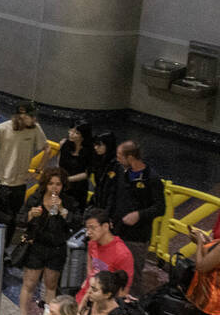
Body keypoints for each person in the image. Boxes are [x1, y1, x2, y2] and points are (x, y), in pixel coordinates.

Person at [16, 167, 80, 315]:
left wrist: (63, 211)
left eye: (58, 184)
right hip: (36, 247)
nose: (54, 188)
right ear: (45, 184)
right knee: (29, 284)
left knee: (51, 286)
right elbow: (19, 219)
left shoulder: (68, 201)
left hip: (57, 249)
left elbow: (76, 223)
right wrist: (30, 215)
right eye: (51, 183)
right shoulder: (35, 198)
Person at [99, 140, 164, 295]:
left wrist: (139, 215)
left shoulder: (152, 178)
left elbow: (160, 208)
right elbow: (112, 196)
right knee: (109, 271)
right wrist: (107, 217)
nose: (117, 159)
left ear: (131, 157)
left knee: (131, 276)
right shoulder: (120, 171)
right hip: (116, 231)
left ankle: (130, 309)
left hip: (136, 238)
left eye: (120, 156)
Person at [0, 101, 49, 240]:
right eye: (31, 116)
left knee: (12, 218)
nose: (34, 119)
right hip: (1, 182)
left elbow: (47, 149)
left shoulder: (35, 129)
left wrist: (38, 170)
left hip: (19, 184)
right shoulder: (3, 128)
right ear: (21, 116)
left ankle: (3, 249)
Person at [76, 209, 134, 304]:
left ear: (106, 226)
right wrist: (88, 281)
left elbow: (124, 289)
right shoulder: (92, 243)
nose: (89, 232)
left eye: (92, 228)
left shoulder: (123, 254)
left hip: (104, 302)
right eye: (87, 228)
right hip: (86, 295)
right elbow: (90, 265)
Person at [59, 121, 94, 206]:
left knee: (75, 211)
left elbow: (87, 173)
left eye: (76, 133)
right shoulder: (64, 144)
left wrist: (68, 179)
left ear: (83, 136)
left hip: (79, 187)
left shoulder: (90, 150)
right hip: (62, 183)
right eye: (71, 131)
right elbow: (59, 162)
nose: (71, 134)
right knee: (56, 209)